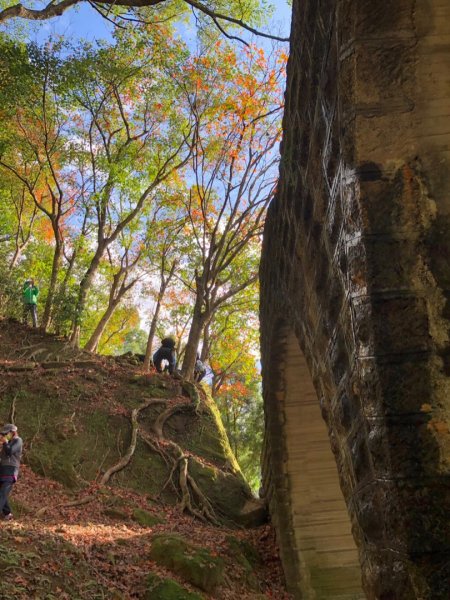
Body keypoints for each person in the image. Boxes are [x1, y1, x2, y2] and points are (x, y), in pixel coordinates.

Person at [0, 424, 23, 521]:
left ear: (12, 432)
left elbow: (10, 451)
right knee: (2, 493)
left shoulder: (18, 440)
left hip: (11, 471)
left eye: (6, 433)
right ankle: (8, 513)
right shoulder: (7, 443)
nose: (5, 435)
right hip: (2, 470)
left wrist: (5, 443)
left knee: (2, 493)